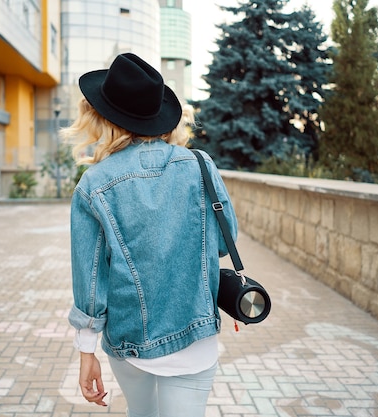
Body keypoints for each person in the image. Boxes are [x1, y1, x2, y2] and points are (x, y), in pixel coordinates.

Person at [62, 52, 238, 417]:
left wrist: (86, 350)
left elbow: (91, 281)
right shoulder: (200, 166)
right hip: (196, 333)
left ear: (102, 118)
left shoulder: (94, 184)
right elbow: (224, 243)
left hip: (131, 341)